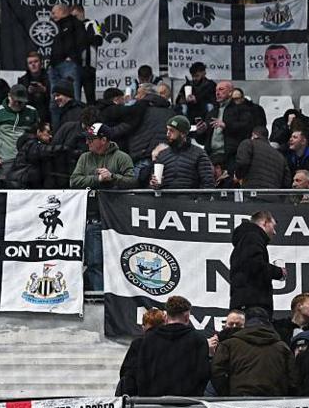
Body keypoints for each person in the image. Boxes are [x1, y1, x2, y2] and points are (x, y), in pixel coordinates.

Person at [70, 123, 137, 291]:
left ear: (104, 140)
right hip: (93, 216)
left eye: (91, 139)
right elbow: (74, 181)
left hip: (117, 219)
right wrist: (98, 179)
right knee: (94, 262)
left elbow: (132, 181)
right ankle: (98, 298)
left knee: (120, 262)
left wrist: (112, 177)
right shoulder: (85, 158)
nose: (87, 142)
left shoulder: (122, 157)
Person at [211, 307, 298, 397]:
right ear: (268, 322)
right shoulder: (282, 347)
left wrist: (229, 395)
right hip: (274, 401)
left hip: (239, 400)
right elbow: (293, 379)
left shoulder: (228, 345)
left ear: (246, 322)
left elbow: (217, 373)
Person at [136, 295, 211, 397]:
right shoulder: (199, 340)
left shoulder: (149, 339)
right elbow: (203, 374)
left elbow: (141, 373)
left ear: (166, 316)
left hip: (154, 401)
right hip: (188, 402)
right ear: (187, 316)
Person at [229, 211, 285, 313]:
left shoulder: (244, 241)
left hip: (245, 303)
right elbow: (254, 265)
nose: (274, 232)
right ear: (265, 223)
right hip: (254, 305)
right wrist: (279, 272)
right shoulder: (253, 237)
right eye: (273, 226)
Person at [198, 81, 252, 184]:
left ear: (230, 92)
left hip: (230, 157)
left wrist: (226, 126)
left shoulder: (241, 110)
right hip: (211, 156)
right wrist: (201, 132)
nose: (217, 93)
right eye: (216, 90)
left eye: (221, 89)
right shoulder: (211, 113)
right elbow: (202, 140)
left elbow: (246, 129)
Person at [0, 85, 39, 182]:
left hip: (25, 163)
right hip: (3, 162)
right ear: (9, 96)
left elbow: (38, 135)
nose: (18, 104)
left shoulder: (32, 112)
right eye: (15, 100)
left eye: (21, 101)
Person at [127, 83, 175, 184]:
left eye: (139, 94)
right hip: (168, 159)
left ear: (146, 95)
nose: (136, 97)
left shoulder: (139, 111)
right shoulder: (172, 112)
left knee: (135, 188)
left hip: (142, 157)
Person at [151, 116, 215, 190]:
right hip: (167, 197)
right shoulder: (162, 155)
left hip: (190, 197)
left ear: (182, 134)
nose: (168, 134)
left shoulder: (199, 154)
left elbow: (208, 183)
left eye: (172, 131)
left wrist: (199, 197)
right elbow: (153, 182)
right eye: (167, 130)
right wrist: (155, 184)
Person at [48, 3, 86, 124]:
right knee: (54, 102)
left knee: (73, 100)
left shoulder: (75, 24)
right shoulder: (59, 26)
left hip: (68, 65)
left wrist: (72, 57)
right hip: (55, 66)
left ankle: (75, 128)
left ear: (62, 11)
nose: (52, 15)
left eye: (54, 13)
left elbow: (82, 41)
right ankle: (57, 131)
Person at [116, 307, 165, 396]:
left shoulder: (138, 343)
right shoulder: (172, 342)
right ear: (164, 324)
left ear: (143, 327)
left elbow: (126, 372)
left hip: (141, 395)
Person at [72, 4, 103, 105]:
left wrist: (83, 37)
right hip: (75, 67)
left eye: (75, 16)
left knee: (90, 98)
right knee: (75, 98)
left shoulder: (92, 24)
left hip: (88, 67)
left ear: (82, 13)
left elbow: (99, 39)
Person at [18, 51, 51, 123]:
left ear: (41, 63)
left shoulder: (50, 78)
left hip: (47, 113)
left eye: (36, 61)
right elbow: (19, 101)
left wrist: (45, 90)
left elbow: (56, 98)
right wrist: (28, 92)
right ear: (27, 65)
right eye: (30, 63)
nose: (33, 64)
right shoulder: (22, 80)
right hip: (28, 114)